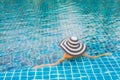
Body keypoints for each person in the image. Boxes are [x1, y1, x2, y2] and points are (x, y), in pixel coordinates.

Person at [33, 36, 111, 69]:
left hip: (69, 61)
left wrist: (40, 66)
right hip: (79, 61)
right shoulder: (82, 53)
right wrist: (105, 54)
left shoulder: (66, 55)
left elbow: (54, 64)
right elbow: (93, 57)